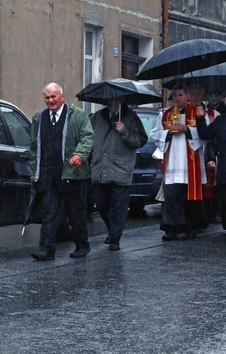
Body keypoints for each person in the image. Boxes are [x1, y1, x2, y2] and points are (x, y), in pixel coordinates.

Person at [28, 82, 93, 261]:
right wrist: (33, 170)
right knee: (49, 214)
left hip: (72, 174)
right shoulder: (39, 118)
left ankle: (82, 245)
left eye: (53, 97)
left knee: (76, 213)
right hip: (49, 175)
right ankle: (46, 250)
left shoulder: (78, 116)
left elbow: (87, 137)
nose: (50, 100)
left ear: (62, 97)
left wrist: (80, 154)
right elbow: (34, 147)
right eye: (47, 97)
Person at [89, 97, 148, 251]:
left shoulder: (131, 117)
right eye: (108, 99)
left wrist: (125, 131)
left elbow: (140, 140)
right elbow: (88, 137)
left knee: (118, 207)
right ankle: (112, 230)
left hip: (120, 169)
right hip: (100, 168)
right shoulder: (97, 117)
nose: (110, 102)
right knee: (102, 205)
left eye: (114, 100)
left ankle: (115, 238)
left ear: (122, 100)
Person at [150, 85, 206, 240]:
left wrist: (187, 130)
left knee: (190, 199)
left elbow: (206, 134)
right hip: (173, 162)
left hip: (191, 162)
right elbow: (155, 134)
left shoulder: (197, 112)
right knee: (172, 197)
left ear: (187, 95)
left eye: (180, 94)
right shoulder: (165, 114)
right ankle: (172, 228)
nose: (177, 98)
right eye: (174, 95)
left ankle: (191, 228)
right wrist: (168, 132)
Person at [196, 104, 226, 229]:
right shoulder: (221, 120)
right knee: (224, 198)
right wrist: (200, 118)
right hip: (224, 167)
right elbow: (205, 134)